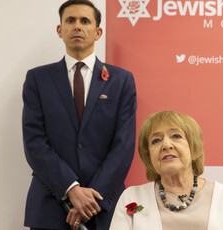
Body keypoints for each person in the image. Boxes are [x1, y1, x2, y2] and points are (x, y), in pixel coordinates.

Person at [22, 0, 137, 229]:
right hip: (50, 207)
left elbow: (123, 146)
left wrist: (92, 198)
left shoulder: (121, 80)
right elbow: (34, 143)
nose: (77, 26)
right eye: (70, 21)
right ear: (60, 30)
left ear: (98, 32)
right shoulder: (38, 79)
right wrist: (71, 189)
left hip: (104, 207)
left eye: (85, 21)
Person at [109, 111, 223, 230]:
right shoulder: (131, 198)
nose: (166, 144)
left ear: (194, 149)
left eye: (176, 136)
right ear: (149, 156)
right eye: (156, 140)